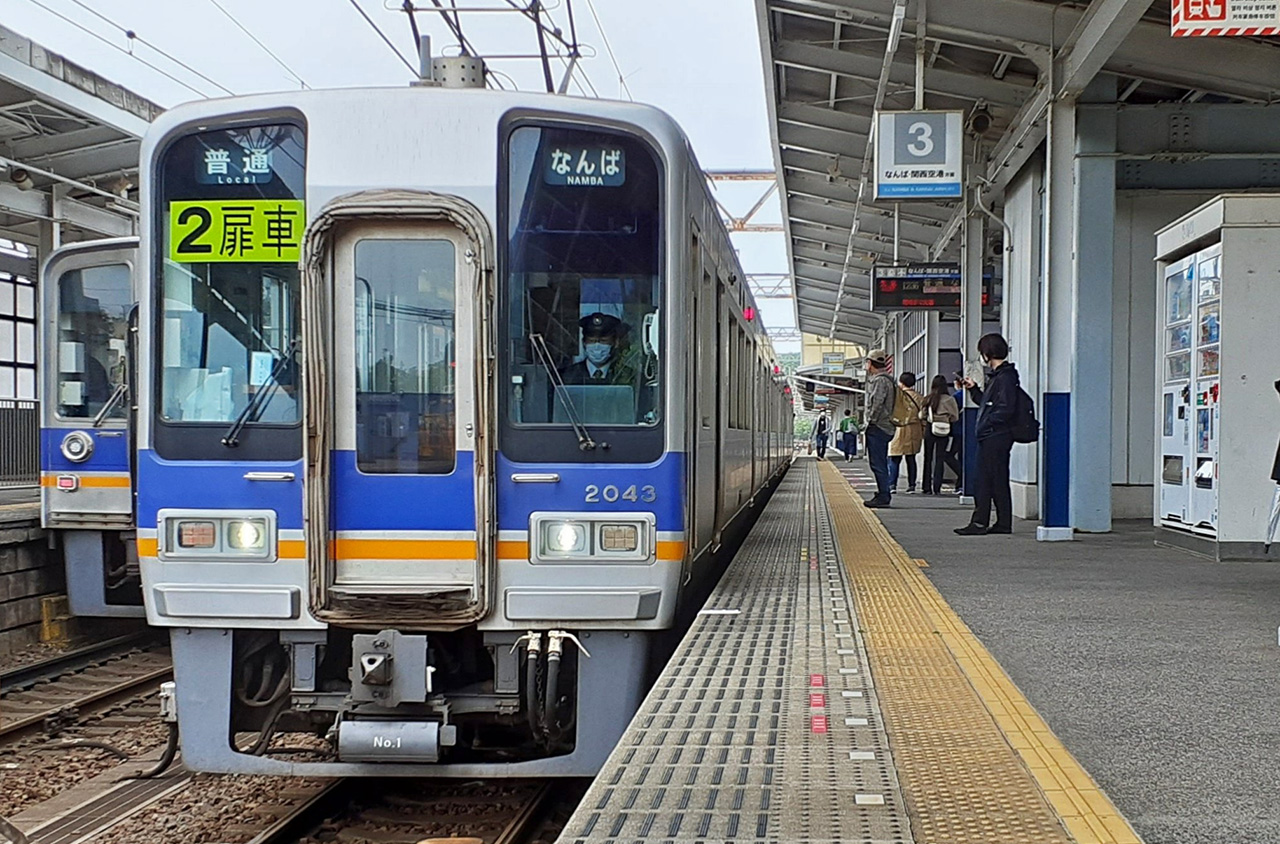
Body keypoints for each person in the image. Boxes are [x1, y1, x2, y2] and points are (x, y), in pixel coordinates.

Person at [955, 333, 1019, 536]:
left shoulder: (1004, 378)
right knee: (998, 479)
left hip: (995, 436)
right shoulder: (1002, 377)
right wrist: (973, 390)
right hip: (998, 435)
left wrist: (988, 424)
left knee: (983, 479)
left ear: (987, 353)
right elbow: (987, 404)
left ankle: (980, 522)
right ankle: (1002, 522)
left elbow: (1005, 408)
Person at [560, 312, 636, 385]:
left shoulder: (629, 376)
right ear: (584, 343)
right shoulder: (566, 376)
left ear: (615, 343)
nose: (597, 346)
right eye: (591, 341)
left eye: (603, 341)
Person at [862, 350, 896, 508]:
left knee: (878, 463)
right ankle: (883, 493)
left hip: (879, 427)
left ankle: (883, 495)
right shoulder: (890, 380)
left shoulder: (879, 381)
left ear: (870, 363)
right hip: (886, 426)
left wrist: (870, 421)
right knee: (880, 462)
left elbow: (877, 403)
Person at [921, 374, 962, 495]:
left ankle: (926, 487)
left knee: (927, 458)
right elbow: (955, 417)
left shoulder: (928, 398)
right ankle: (937, 487)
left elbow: (921, 415)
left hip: (930, 428)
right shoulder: (950, 400)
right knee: (940, 458)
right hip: (944, 429)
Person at [889, 372, 925, 493]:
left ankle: (892, 485)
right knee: (911, 458)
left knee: (895, 458)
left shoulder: (896, 396)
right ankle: (911, 486)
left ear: (901, 382)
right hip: (914, 429)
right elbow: (923, 415)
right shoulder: (919, 397)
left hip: (898, 428)